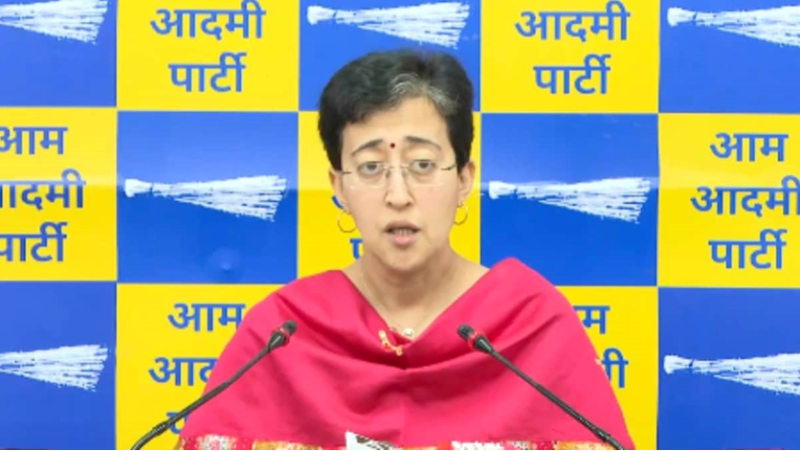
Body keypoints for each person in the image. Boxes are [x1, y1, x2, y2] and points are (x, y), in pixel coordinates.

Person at [176, 48, 635, 450]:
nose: (398, 195)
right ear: (339, 187)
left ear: (465, 179)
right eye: (371, 167)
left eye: (422, 164)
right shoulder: (284, 332)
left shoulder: (530, 323)